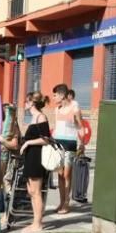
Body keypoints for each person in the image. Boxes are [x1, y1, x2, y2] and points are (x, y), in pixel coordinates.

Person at [19, 91, 51, 233]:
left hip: (36, 157)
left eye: (26, 101)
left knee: (36, 191)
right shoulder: (33, 118)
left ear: (32, 102)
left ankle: (38, 223)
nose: (24, 104)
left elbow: (46, 139)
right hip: (30, 157)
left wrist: (28, 143)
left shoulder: (40, 117)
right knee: (31, 191)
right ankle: (35, 221)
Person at [51, 83, 82, 214]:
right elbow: (56, 127)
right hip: (58, 143)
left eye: (55, 95)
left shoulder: (74, 108)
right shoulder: (57, 109)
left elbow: (80, 126)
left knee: (67, 174)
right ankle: (61, 202)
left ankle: (67, 203)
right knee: (59, 174)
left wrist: (82, 143)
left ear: (62, 95)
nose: (54, 97)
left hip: (70, 143)